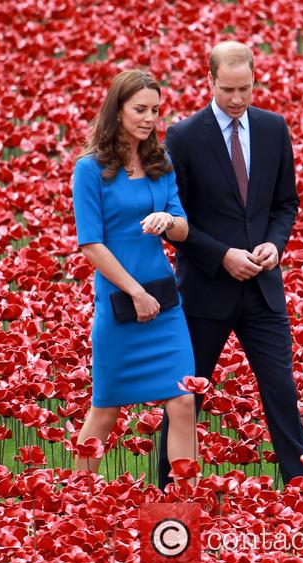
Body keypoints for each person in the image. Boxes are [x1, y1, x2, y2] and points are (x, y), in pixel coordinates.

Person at [158, 41, 303, 500]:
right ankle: (169, 494)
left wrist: (274, 242)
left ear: (255, 79)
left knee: (281, 391)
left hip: (263, 291)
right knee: (185, 400)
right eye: (228, 89)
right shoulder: (184, 136)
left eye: (245, 88)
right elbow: (175, 222)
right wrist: (223, 255)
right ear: (209, 81)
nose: (237, 99)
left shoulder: (273, 129)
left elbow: (285, 203)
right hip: (206, 292)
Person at [72, 70, 197, 477]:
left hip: (164, 303)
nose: (149, 118)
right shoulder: (90, 169)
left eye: (155, 110)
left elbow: (183, 226)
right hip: (118, 301)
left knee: (181, 400)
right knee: (106, 408)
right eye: (140, 109)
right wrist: (136, 293)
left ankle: (184, 500)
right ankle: (75, 500)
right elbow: (91, 243)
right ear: (118, 111)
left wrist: (167, 219)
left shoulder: (161, 163)